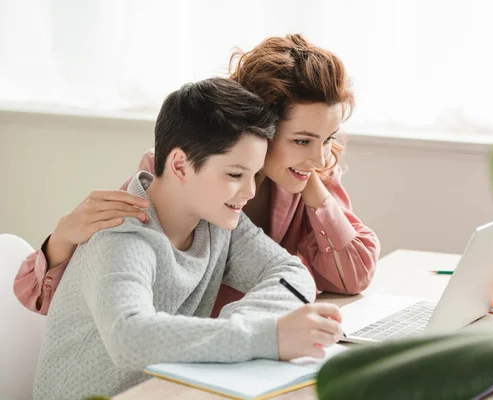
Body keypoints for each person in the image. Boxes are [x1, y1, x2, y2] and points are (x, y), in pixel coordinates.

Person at [14, 34, 380, 316]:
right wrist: (61, 240)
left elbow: (354, 276)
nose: (319, 156)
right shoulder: (179, 175)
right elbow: (57, 300)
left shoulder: (310, 174)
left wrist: (311, 182)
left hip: (256, 348)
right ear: (260, 128)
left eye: (328, 139)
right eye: (302, 140)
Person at [33, 78, 343, 400]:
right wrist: (267, 337)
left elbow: (291, 274)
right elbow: (129, 337)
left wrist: (244, 329)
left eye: (254, 175)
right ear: (180, 165)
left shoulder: (217, 222)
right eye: (235, 175)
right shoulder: (121, 234)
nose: (250, 192)